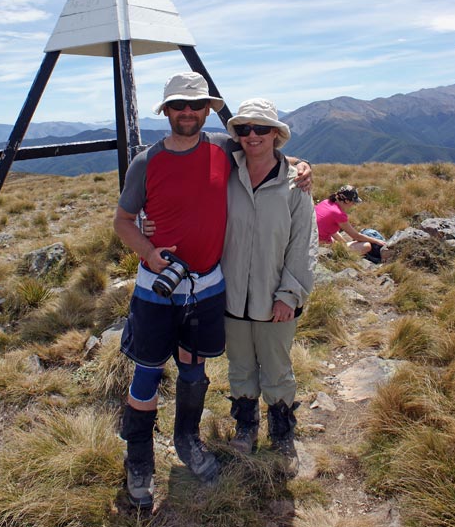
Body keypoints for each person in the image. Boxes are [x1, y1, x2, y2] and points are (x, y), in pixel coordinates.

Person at [113, 72, 311, 509]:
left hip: (205, 288)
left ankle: (187, 440)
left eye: (196, 105)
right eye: (178, 105)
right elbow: (122, 222)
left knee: (193, 368)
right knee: (146, 373)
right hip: (156, 290)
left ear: (207, 110)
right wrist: (148, 252)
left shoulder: (224, 148)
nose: (188, 112)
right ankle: (139, 459)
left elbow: (266, 152)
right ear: (166, 111)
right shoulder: (146, 162)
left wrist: (301, 166)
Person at [221, 98, 318, 477]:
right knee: (240, 365)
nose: (252, 135)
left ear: (276, 134)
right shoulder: (227, 173)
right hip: (231, 295)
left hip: (276, 297)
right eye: (244, 129)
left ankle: (281, 429)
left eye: (261, 128)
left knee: (276, 366)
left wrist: (289, 295)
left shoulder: (295, 183)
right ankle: (245, 425)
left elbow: (304, 243)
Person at [315, 185, 389, 260]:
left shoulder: (325, 202)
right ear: (347, 201)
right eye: (353, 202)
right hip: (321, 246)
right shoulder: (338, 214)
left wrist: (344, 244)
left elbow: (330, 229)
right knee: (367, 246)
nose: (353, 205)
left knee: (339, 240)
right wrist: (376, 241)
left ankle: (345, 248)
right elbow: (356, 236)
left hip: (313, 239)